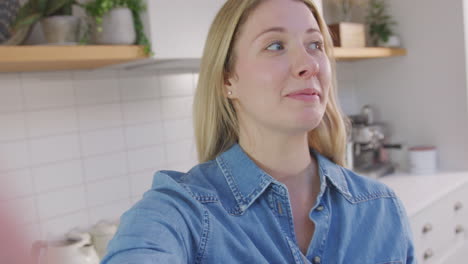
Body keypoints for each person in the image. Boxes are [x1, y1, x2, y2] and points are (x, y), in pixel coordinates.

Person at [101, 0, 416, 263]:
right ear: (228, 80)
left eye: (315, 45)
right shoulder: (182, 212)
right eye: (276, 45)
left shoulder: (380, 208)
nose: (309, 65)